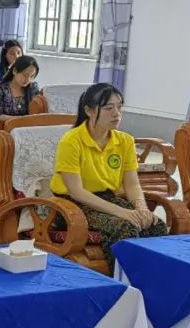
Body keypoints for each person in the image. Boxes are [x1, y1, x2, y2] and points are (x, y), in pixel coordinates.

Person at [50, 83, 167, 265]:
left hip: (107, 198)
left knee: (155, 225)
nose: (116, 113)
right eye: (108, 108)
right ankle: (121, 283)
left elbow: (132, 184)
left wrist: (142, 209)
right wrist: (123, 212)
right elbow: (76, 192)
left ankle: (150, 282)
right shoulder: (71, 141)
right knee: (126, 226)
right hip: (73, 205)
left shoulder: (125, 141)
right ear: (89, 110)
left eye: (120, 107)